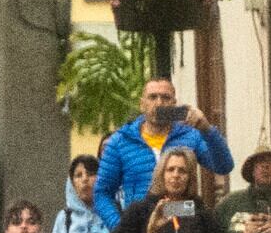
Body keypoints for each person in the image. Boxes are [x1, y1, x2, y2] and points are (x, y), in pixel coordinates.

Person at [90, 73, 234, 221]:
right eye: (153, 97)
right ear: (142, 104)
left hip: (184, 224)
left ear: (174, 103)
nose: (159, 103)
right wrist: (122, 228)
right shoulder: (121, 141)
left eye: (166, 98)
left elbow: (224, 166)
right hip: (141, 229)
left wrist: (206, 129)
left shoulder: (190, 135)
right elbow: (101, 194)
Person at [114, 144, 222, 233]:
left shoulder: (201, 213)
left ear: (190, 177)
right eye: (170, 170)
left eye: (182, 171)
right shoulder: (141, 210)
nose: (176, 175)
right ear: (161, 174)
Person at [50, 151, 112, 233]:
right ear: (72, 183)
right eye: (78, 175)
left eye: (91, 174)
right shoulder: (65, 218)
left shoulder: (112, 213)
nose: (85, 179)